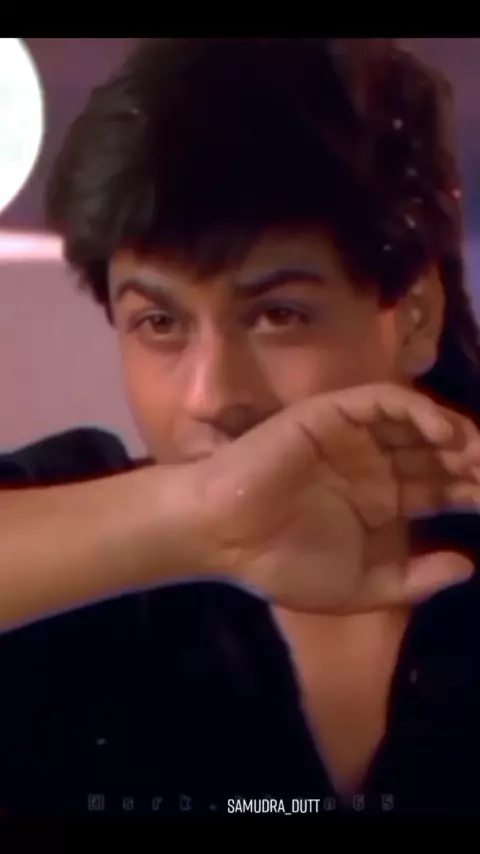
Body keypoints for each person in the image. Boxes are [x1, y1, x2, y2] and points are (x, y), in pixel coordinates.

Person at [1, 38, 480, 816]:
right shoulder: (69, 545)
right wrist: (199, 521)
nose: (212, 395)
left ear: (415, 316)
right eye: (159, 322)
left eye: (279, 315)